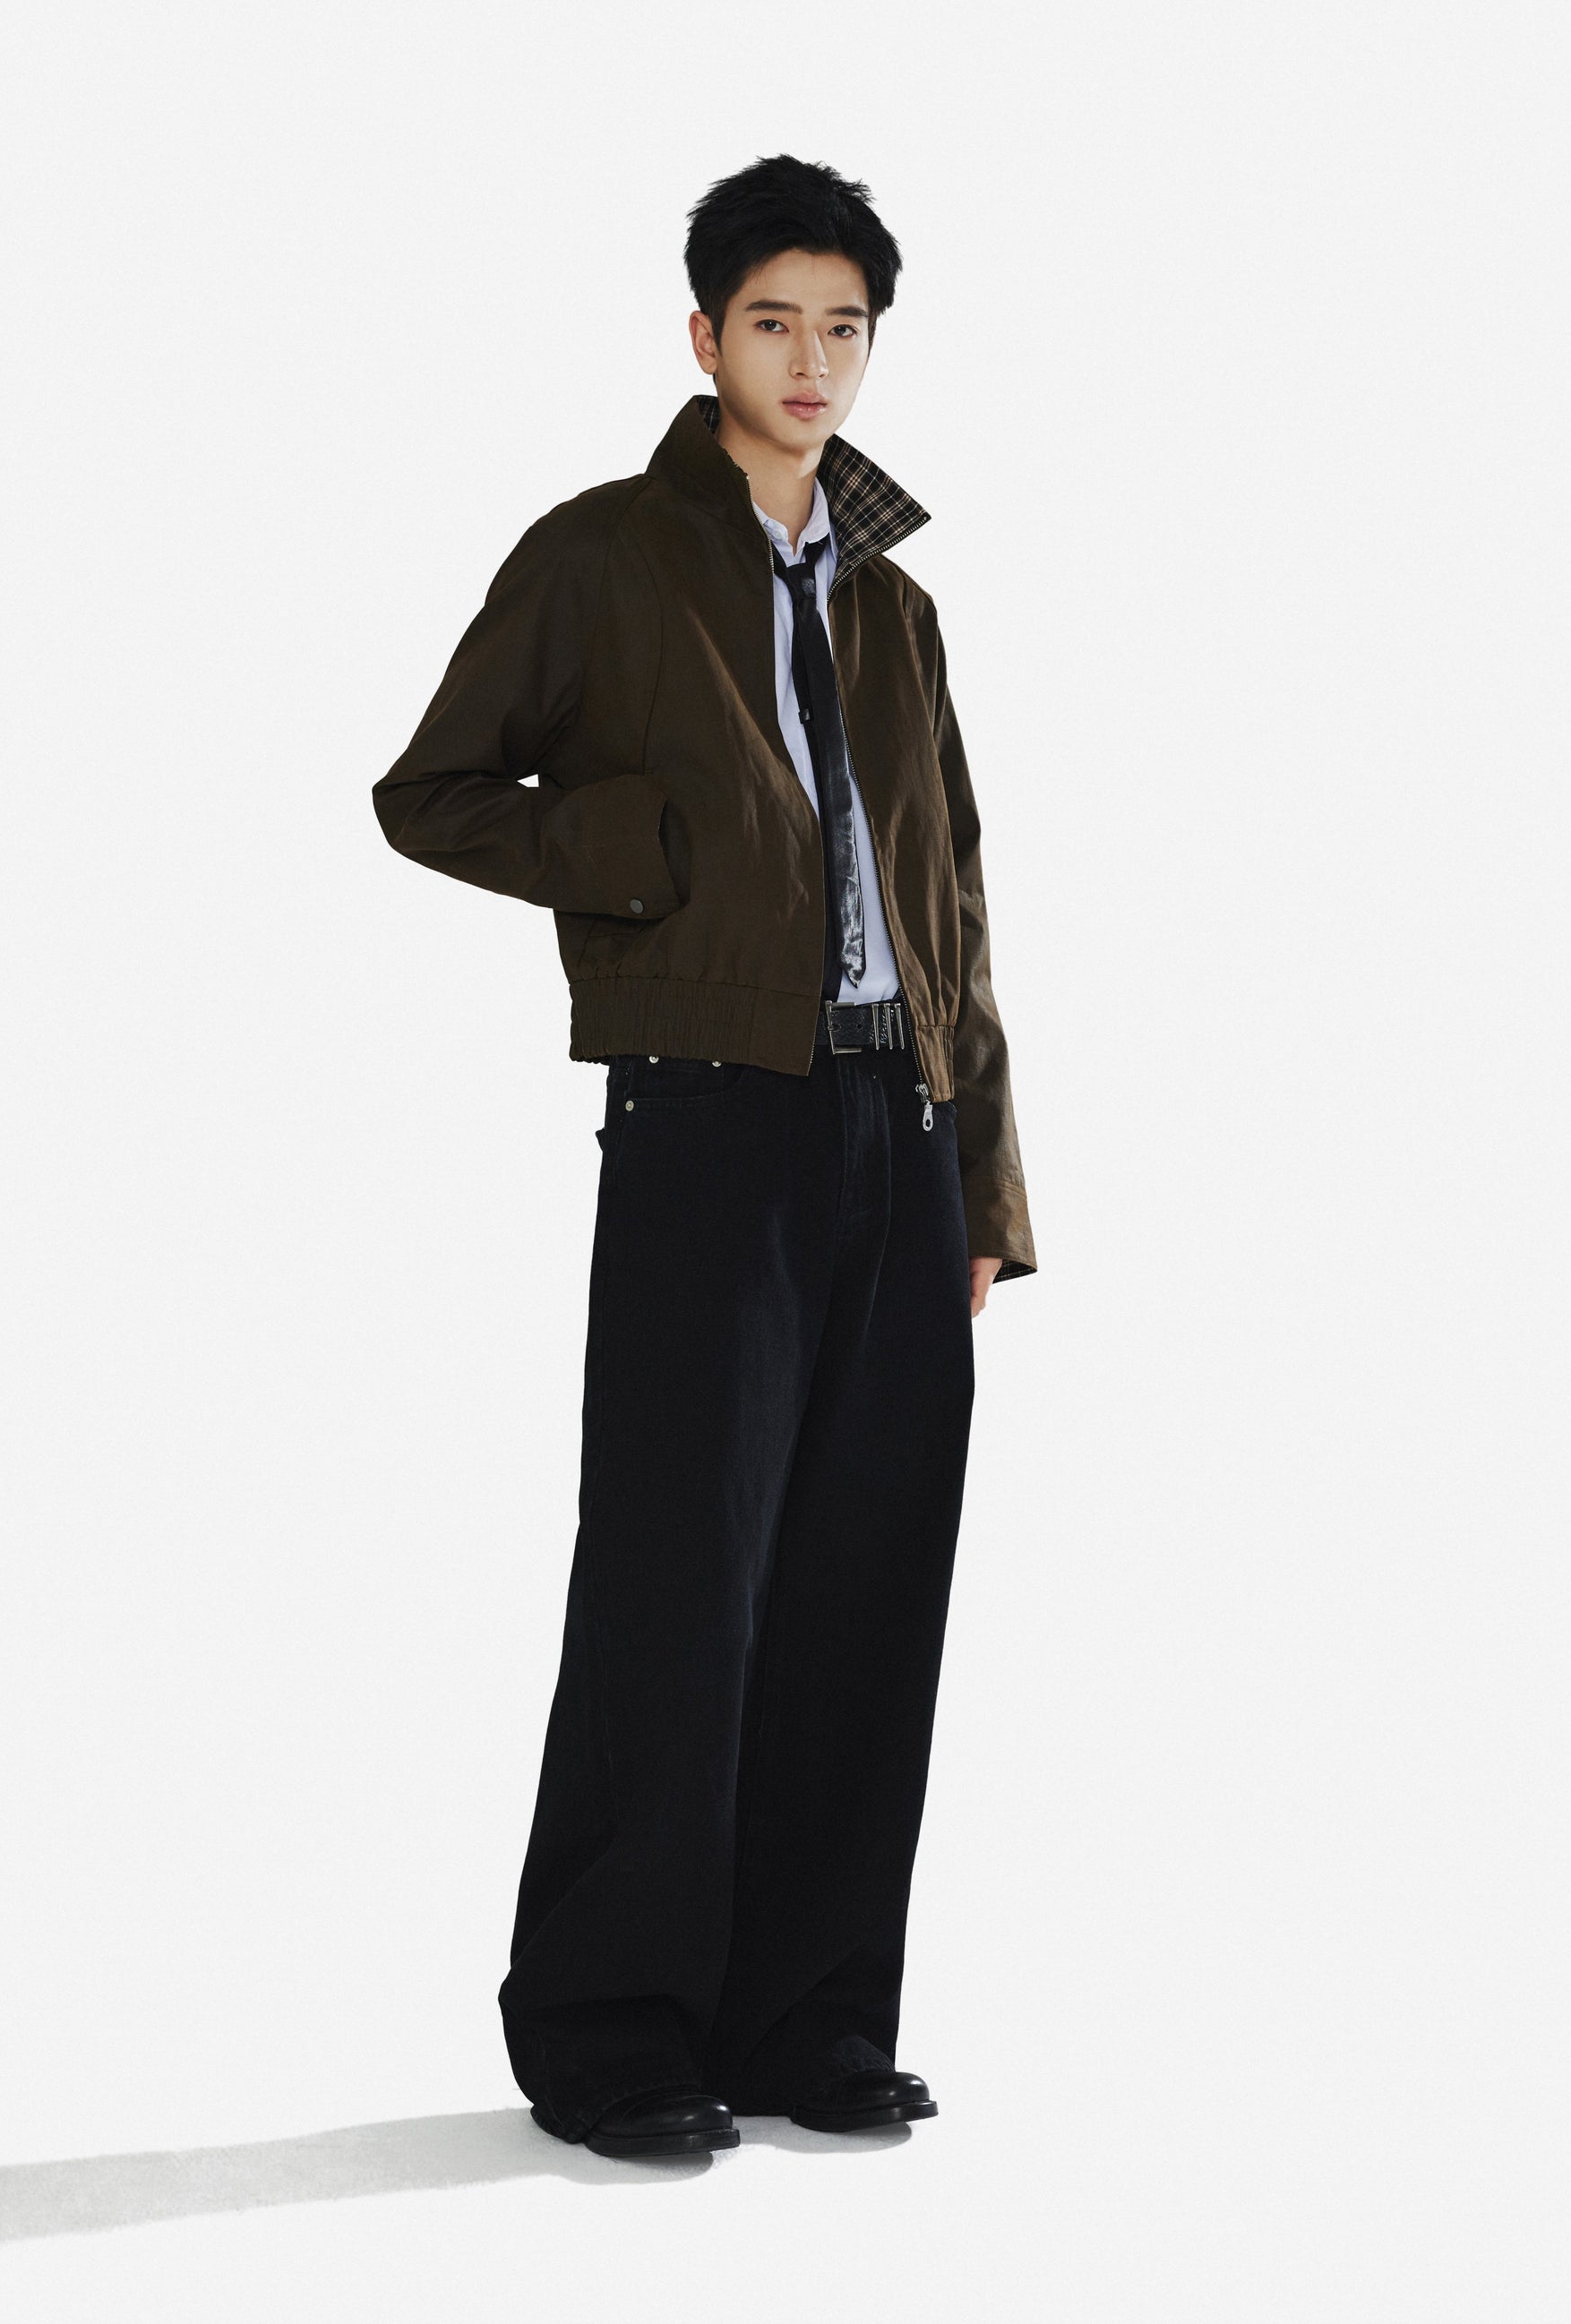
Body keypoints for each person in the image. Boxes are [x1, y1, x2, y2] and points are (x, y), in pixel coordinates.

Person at [373, 153, 1037, 2160]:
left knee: (864, 1587)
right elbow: (434, 790)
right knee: (681, 1582)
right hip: (707, 1119)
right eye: (772, 322)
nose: (810, 359)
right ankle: (612, 2028)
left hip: (897, 1127)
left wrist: (985, 1184)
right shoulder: (606, 555)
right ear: (703, 336)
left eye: (844, 327)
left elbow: (952, 899)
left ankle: (809, 2019)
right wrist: (643, 851)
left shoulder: (896, 603)